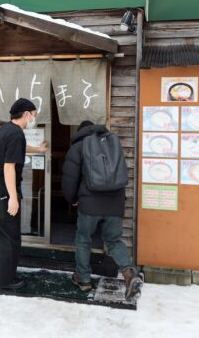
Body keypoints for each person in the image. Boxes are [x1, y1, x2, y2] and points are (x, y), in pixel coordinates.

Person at [61, 120, 143, 300]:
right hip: (115, 203)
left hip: (89, 204)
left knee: (83, 240)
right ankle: (130, 274)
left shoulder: (78, 147)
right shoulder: (112, 144)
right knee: (113, 240)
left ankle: (83, 279)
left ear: (81, 131)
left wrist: (72, 199)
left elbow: (69, 180)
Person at [0, 98, 47, 290]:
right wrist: (12, 197)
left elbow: (17, 149)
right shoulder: (16, 134)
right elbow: (9, 167)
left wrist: (38, 149)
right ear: (26, 114)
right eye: (34, 115)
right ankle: (5, 281)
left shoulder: (6, 129)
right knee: (8, 237)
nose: (33, 119)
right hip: (2, 191)